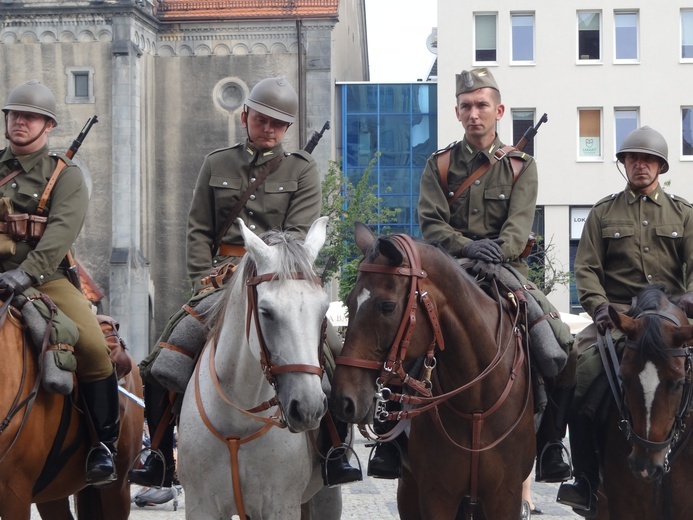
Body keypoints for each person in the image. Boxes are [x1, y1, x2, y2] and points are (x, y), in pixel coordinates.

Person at [129, 76, 361, 488]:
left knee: (334, 356)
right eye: (262, 119)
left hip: (279, 278)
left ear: (287, 129)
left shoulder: (303, 170)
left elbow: (296, 237)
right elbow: (198, 228)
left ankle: (334, 452)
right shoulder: (217, 163)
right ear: (245, 116)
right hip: (220, 281)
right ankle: (160, 454)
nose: (269, 128)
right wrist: (205, 280)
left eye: (278, 123)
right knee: (161, 359)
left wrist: (263, 273)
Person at [369, 67, 574, 483]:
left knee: (559, 348)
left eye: (482, 105)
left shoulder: (520, 166)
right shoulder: (439, 164)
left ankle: (551, 443)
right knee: (400, 336)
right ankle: (390, 440)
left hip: (505, 271)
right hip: (451, 270)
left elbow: (519, 226)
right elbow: (432, 224)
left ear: (498, 110)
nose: (474, 113)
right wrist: (466, 248)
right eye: (466, 106)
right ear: (457, 113)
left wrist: (495, 251)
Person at [556, 126, 693, 517]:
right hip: (620, 322)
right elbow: (586, 269)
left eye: (647, 159)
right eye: (632, 158)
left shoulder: (683, 213)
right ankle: (581, 477)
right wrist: (600, 308)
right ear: (624, 164)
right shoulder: (602, 213)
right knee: (577, 374)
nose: (640, 165)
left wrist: (688, 302)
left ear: (661, 166)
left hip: (672, 324)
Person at [0, 80, 120, 484]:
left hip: (44, 278)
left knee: (91, 346)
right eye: (15, 114)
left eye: (30, 117)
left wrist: (27, 272)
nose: (20, 122)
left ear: (47, 126)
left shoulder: (65, 176)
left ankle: (104, 444)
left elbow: (60, 234)